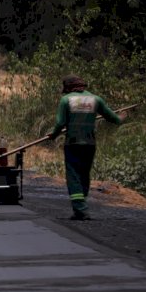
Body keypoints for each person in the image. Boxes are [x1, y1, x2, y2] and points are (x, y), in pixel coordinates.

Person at [48, 75, 126, 221]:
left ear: (68, 88)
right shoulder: (96, 99)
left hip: (73, 144)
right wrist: (122, 116)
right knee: (84, 174)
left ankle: (80, 210)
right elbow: (114, 119)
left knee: (73, 176)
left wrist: (53, 135)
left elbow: (60, 123)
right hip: (90, 144)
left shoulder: (66, 100)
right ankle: (82, 204)